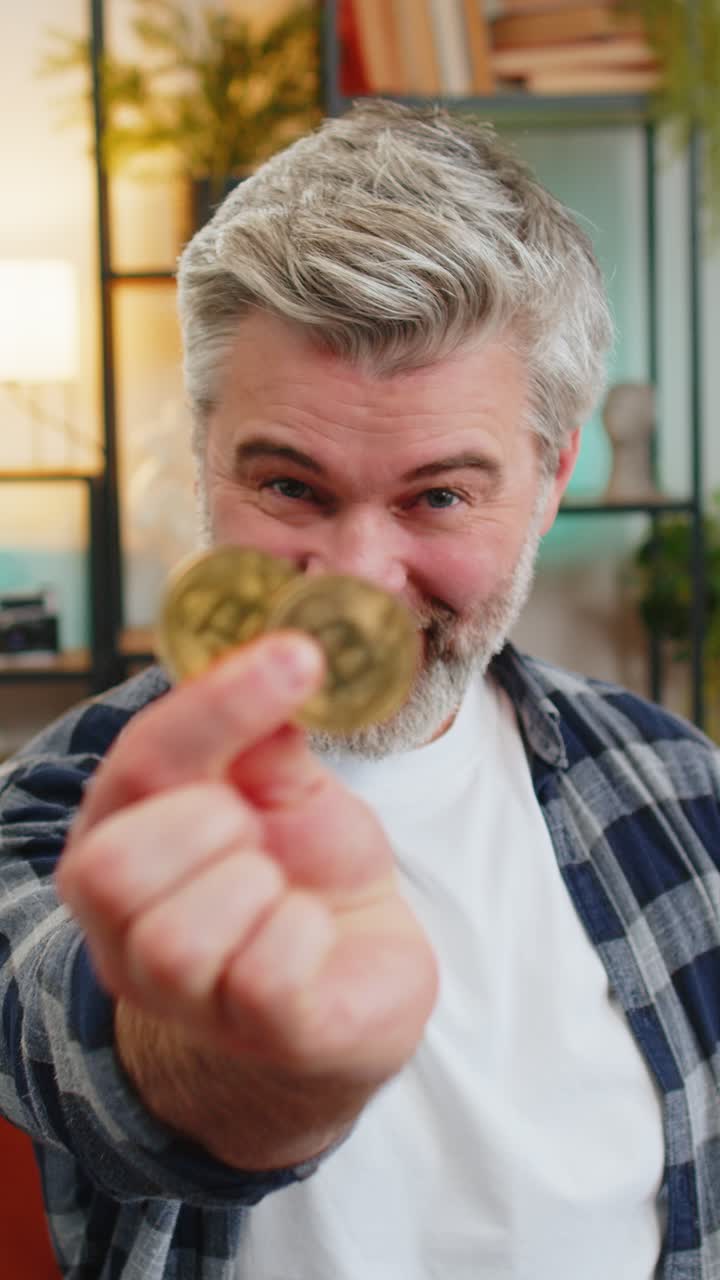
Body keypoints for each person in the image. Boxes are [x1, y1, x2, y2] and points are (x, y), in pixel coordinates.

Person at [0, 99, 718, 1280]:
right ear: (206, 457)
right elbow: (93, 1062)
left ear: (549, 479)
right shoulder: (55, 812)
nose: (355, 581)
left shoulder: (681, 789)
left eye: (438, 496)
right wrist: (271, 1065)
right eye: (290, 485)